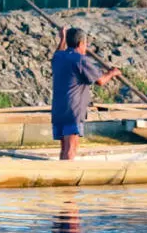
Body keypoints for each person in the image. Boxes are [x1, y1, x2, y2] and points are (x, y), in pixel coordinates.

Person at [51, 27, 121, 159]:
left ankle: (62, 172)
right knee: (71, 148)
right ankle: (68, 176)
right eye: (85, 43)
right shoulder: (81, 60)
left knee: (64, 148)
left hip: (58, 110)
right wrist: (112, 73)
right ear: (81, 44)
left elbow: (58, 52)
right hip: (73, 110)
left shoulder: (59, 57)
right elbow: (100, 81)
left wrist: (62, 39)